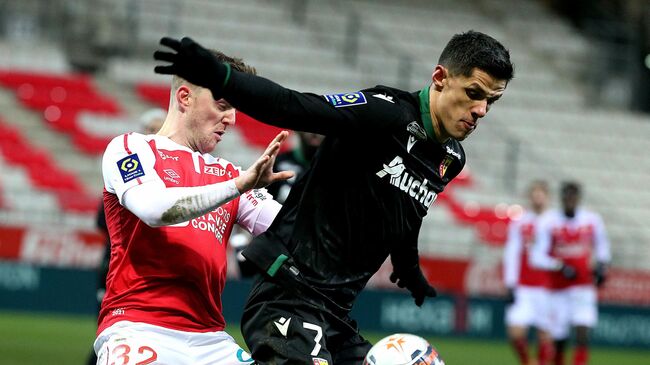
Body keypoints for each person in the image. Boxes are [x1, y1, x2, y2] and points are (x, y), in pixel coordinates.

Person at [153, 30, 514, 364]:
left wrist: (409, 267)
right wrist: (220, 77)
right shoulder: (383, 112)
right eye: (474, 93)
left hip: (336, 314)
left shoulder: (450, 158)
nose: (481, 110)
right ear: (440, 78)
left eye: (491, 102)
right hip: (288, 296)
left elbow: (407, 212)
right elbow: (292, 106)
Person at [94, 51, 294, 365]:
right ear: (185, 97)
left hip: (212, 340)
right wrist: (239, 186)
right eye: (223, 106)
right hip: (139, 328)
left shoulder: (229, 173)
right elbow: (152, 209)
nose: (232, 119)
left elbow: (293, 230)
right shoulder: (131, 148)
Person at [86, 108, 166, 365]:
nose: (155, 133)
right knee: (116, 336)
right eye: (151, 128)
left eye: (159, 127)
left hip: (154, 271)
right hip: (118, 266)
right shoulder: (125, 169)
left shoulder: (171, 170)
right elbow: (102, 220)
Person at [531, 182, 611, 365]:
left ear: (578, 198)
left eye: (573, 197)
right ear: (562, 198)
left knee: (583, 330)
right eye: (567, 196)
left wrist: (602, 266)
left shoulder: (591, 220)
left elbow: (602, 246)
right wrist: (558, 266)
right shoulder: (549, 221)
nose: (570, 201)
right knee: (559, 338)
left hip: (583, 286)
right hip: (558, 290)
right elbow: (537, 256)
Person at [231, 131, 324, 277]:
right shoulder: (278, 164)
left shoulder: (336, 172)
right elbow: (249, 200)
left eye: (321, 128)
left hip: (314, 257)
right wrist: (240, 245)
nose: (315, 133)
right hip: (271, 253)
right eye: (310, 127)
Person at [503, 180, 555, 365]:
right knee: (515, 332)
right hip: (523, 287)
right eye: (534, 195)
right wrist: (510, 283)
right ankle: (527, 362)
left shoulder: (554, 222)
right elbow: (512, 253)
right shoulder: (521, 222)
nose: (537, 199)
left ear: (547, 197)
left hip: (547, 287)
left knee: (545, 334)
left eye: (541, 195)